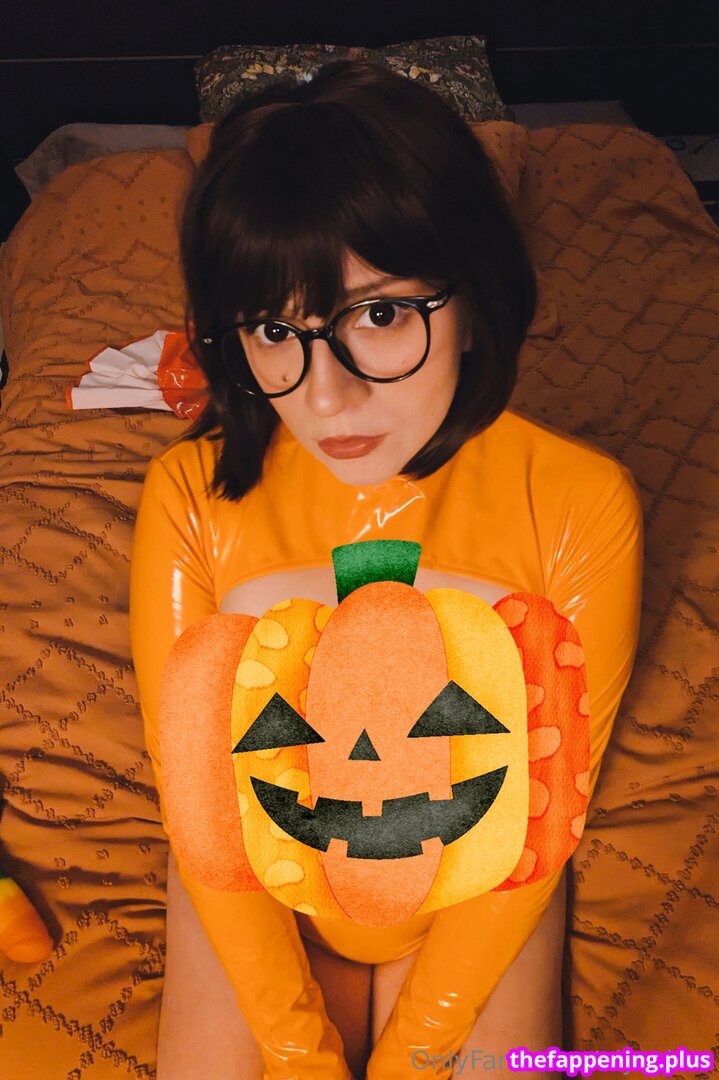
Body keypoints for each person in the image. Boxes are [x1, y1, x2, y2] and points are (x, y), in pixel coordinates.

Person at [129, 60, 643, 1079]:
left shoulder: (578, 505)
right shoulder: (189, 498)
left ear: (473, 296)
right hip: (259, 879)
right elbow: (207, 810)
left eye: (377, 316)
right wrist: (296, 1050)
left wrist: (417, 1051)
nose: (326, 398)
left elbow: (538, 817)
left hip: (476, 873)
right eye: (275, 331)